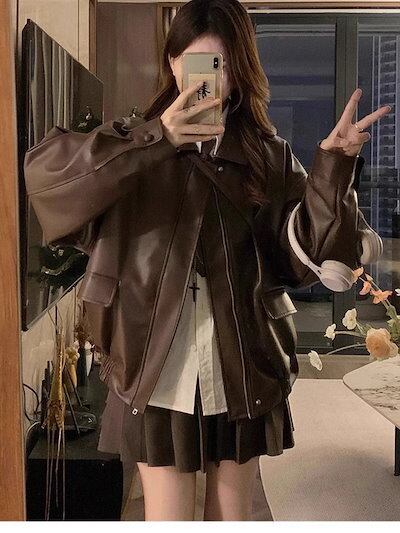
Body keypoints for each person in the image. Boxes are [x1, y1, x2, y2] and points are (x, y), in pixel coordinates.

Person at [23, 0, 390, 521]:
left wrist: (334, 166)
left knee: (232, 513)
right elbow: (45, 180)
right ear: (172, 62)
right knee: (168, 516)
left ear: (239, 72)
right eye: (196, 62)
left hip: (241, 359)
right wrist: (158, 138)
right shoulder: (132, 141)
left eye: (222, 65)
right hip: (154, 363)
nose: (208, 81)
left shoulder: (267, 154)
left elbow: (305, 258)